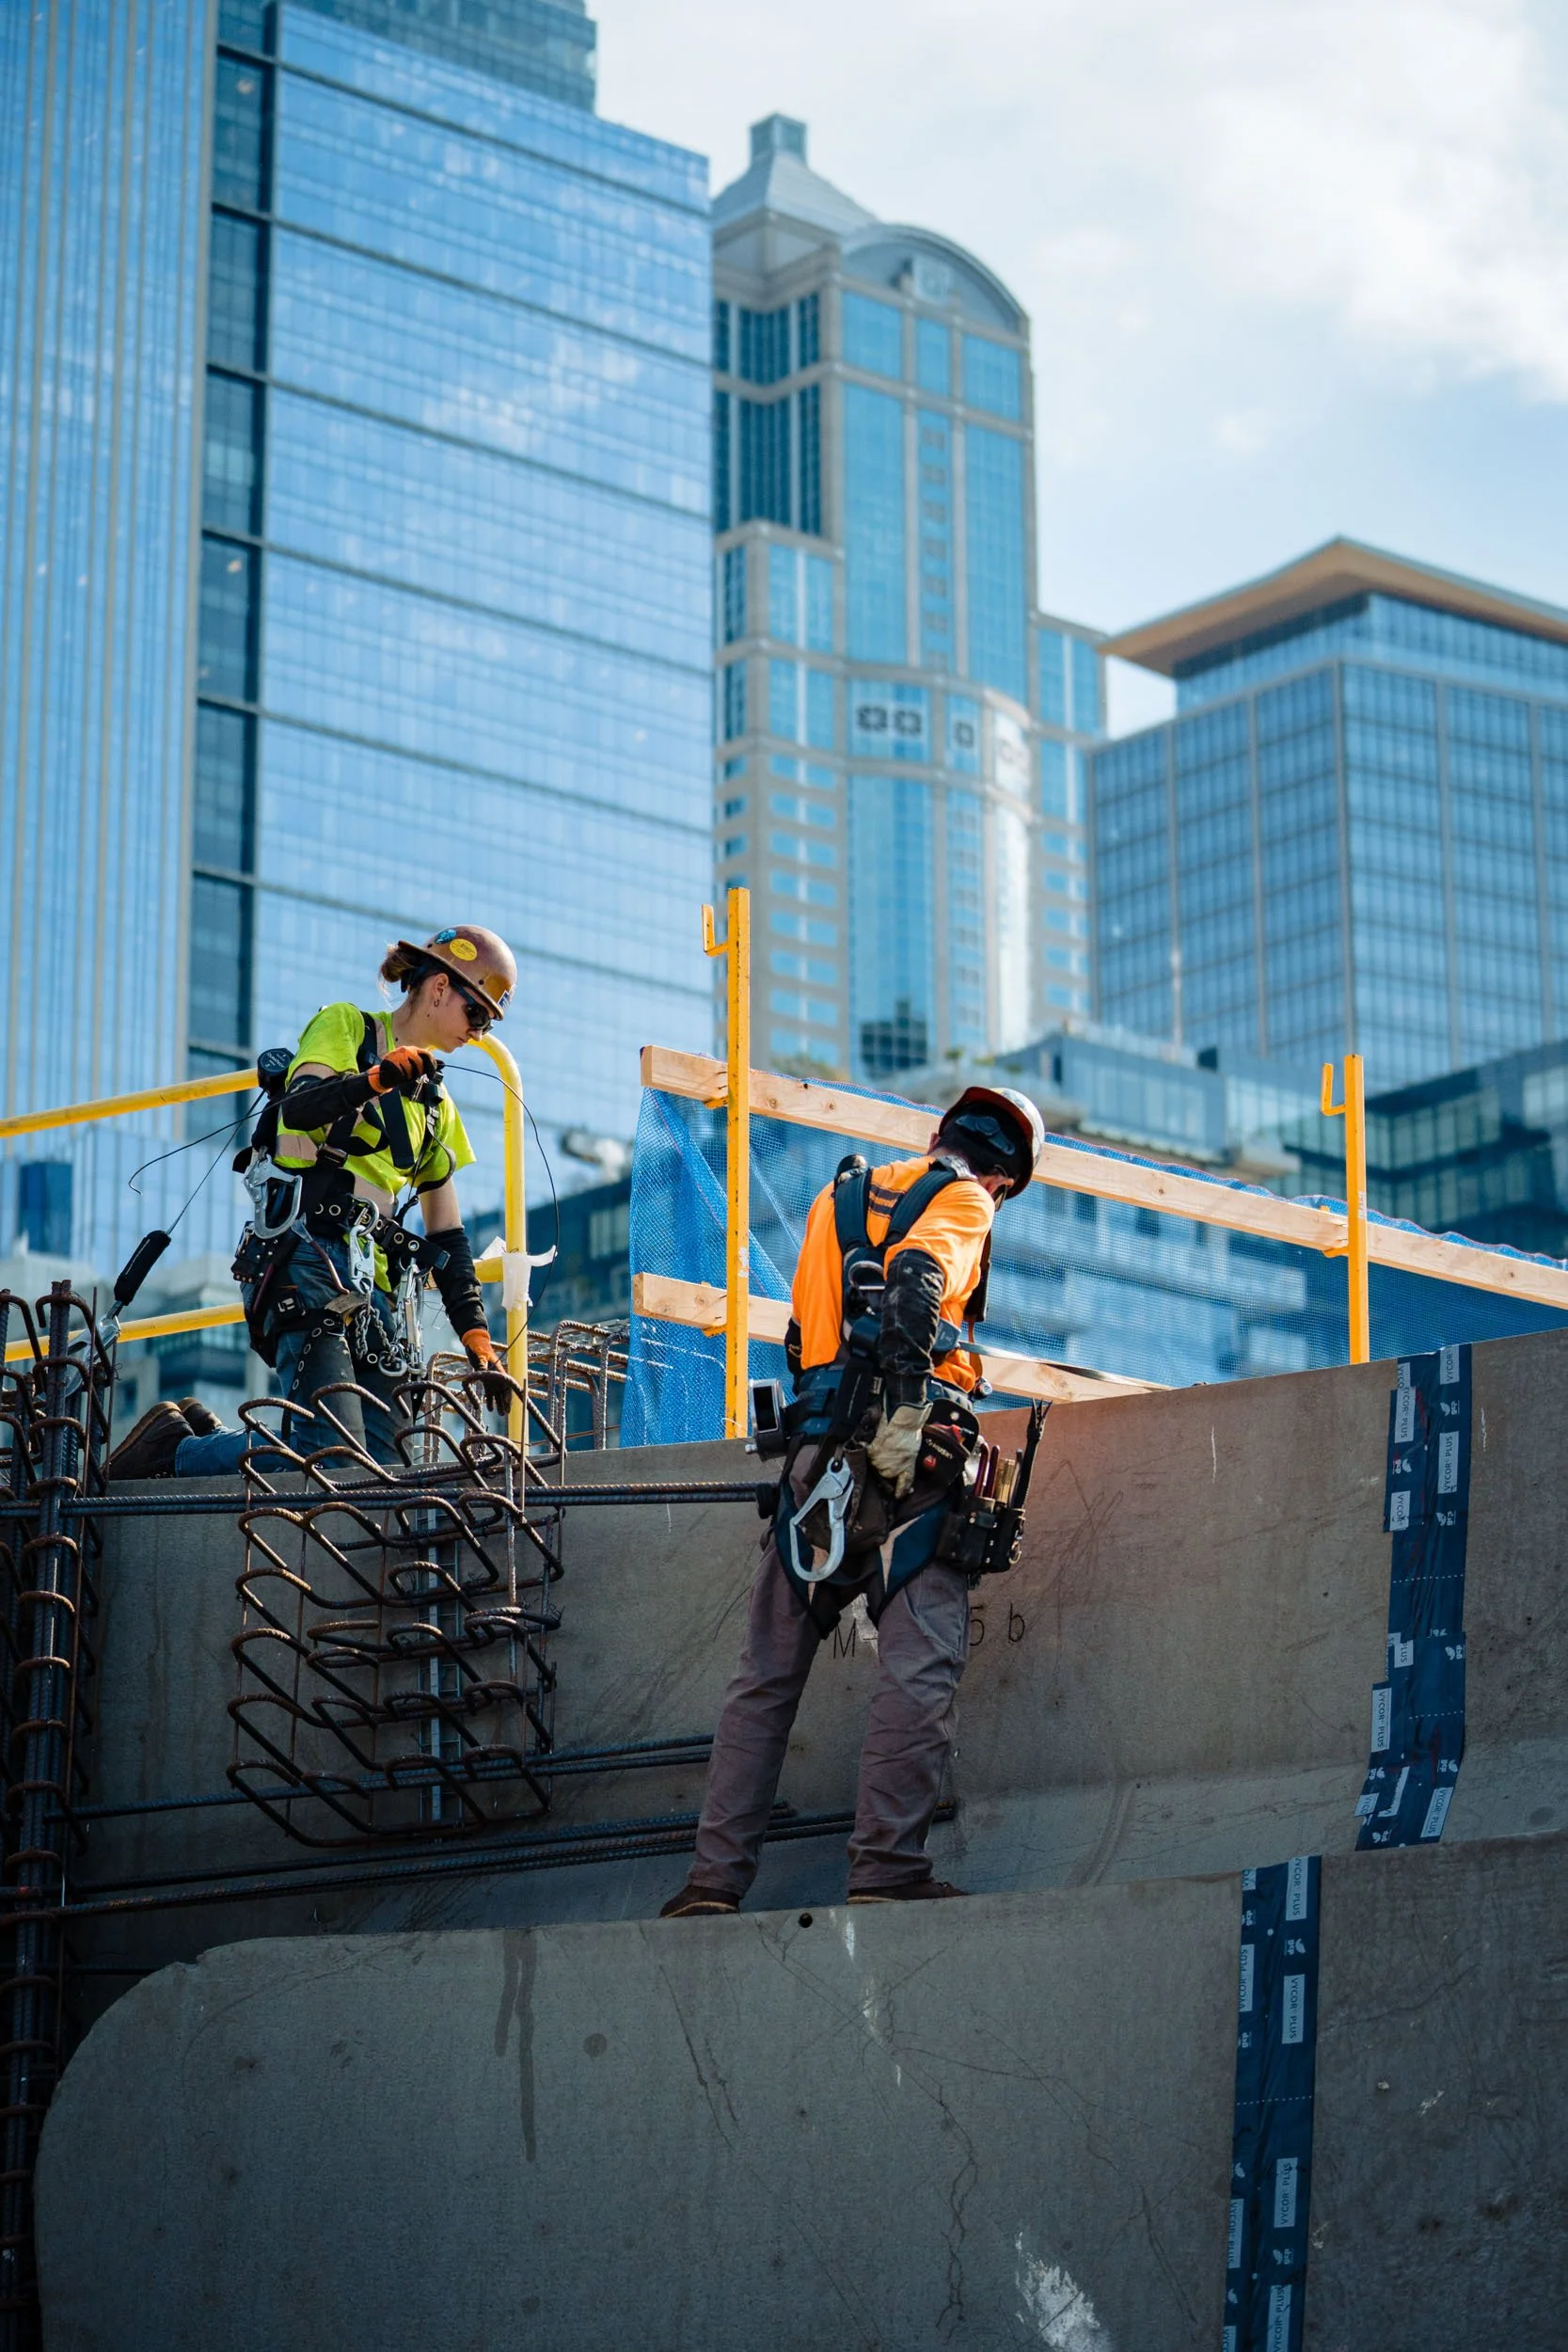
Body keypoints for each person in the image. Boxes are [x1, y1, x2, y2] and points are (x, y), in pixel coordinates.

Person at [660, 1084, 1044, 1917]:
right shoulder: (968, 1200)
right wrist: (906, 1409)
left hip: (812, 1458)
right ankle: (886, 1872)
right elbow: (915, 1279)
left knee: (764, 1675)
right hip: (904, 1463)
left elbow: (809, 1334)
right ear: (1007, 1182)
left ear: (938, 1132)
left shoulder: (837, 1199)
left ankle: (711, 1885)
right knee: (917, 1666)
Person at [106, 927, 517, 1481]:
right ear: (440, 988)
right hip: (307, 1260)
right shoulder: (348, 1027)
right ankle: (175, 1454)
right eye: (478, 1013)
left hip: (377, 1295)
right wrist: (373, 1080)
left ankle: (198, 1442)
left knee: (383, 1470)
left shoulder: (436, 1105)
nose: (480, 1030)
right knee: (334, 1457)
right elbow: (300, 1110)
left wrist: (476, 1336)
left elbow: (448, 1234)